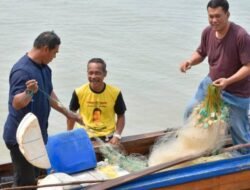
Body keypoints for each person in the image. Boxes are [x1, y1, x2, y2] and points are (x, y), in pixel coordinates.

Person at [3, 31, 83, 187]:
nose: (55, 57)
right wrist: (29, 92)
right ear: (46, 49)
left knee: (35, 176)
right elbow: (17, 103)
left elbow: (49, 93)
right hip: (21, 138)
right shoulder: (22, 71)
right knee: (24, 183)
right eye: (54, 52)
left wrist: (68, 113)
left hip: (37, 136)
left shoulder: (45, 68)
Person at [180, 0, 250, 154]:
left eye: (218, 16)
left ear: (228, 14)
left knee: (240, 133)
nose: (214, 20)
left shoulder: (241, 36)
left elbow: (248, 67)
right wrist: (190, 61)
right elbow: (201, 53)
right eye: (210, 16)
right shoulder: (207, 32)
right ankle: (193, 148)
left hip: (236, 92)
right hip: (211, 84)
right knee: (190, 111)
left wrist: (228, 81)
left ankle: (244, 162)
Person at [67, 58, 127, 145]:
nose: (93, 76)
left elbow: (121, 115)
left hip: (108, 137)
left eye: (97, 73)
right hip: (84, 136)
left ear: (105, 74)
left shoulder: (115, 92)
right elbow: (71, 115)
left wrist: (117, 136)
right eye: (90, 73)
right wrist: (69, 135)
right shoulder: (79, 92)